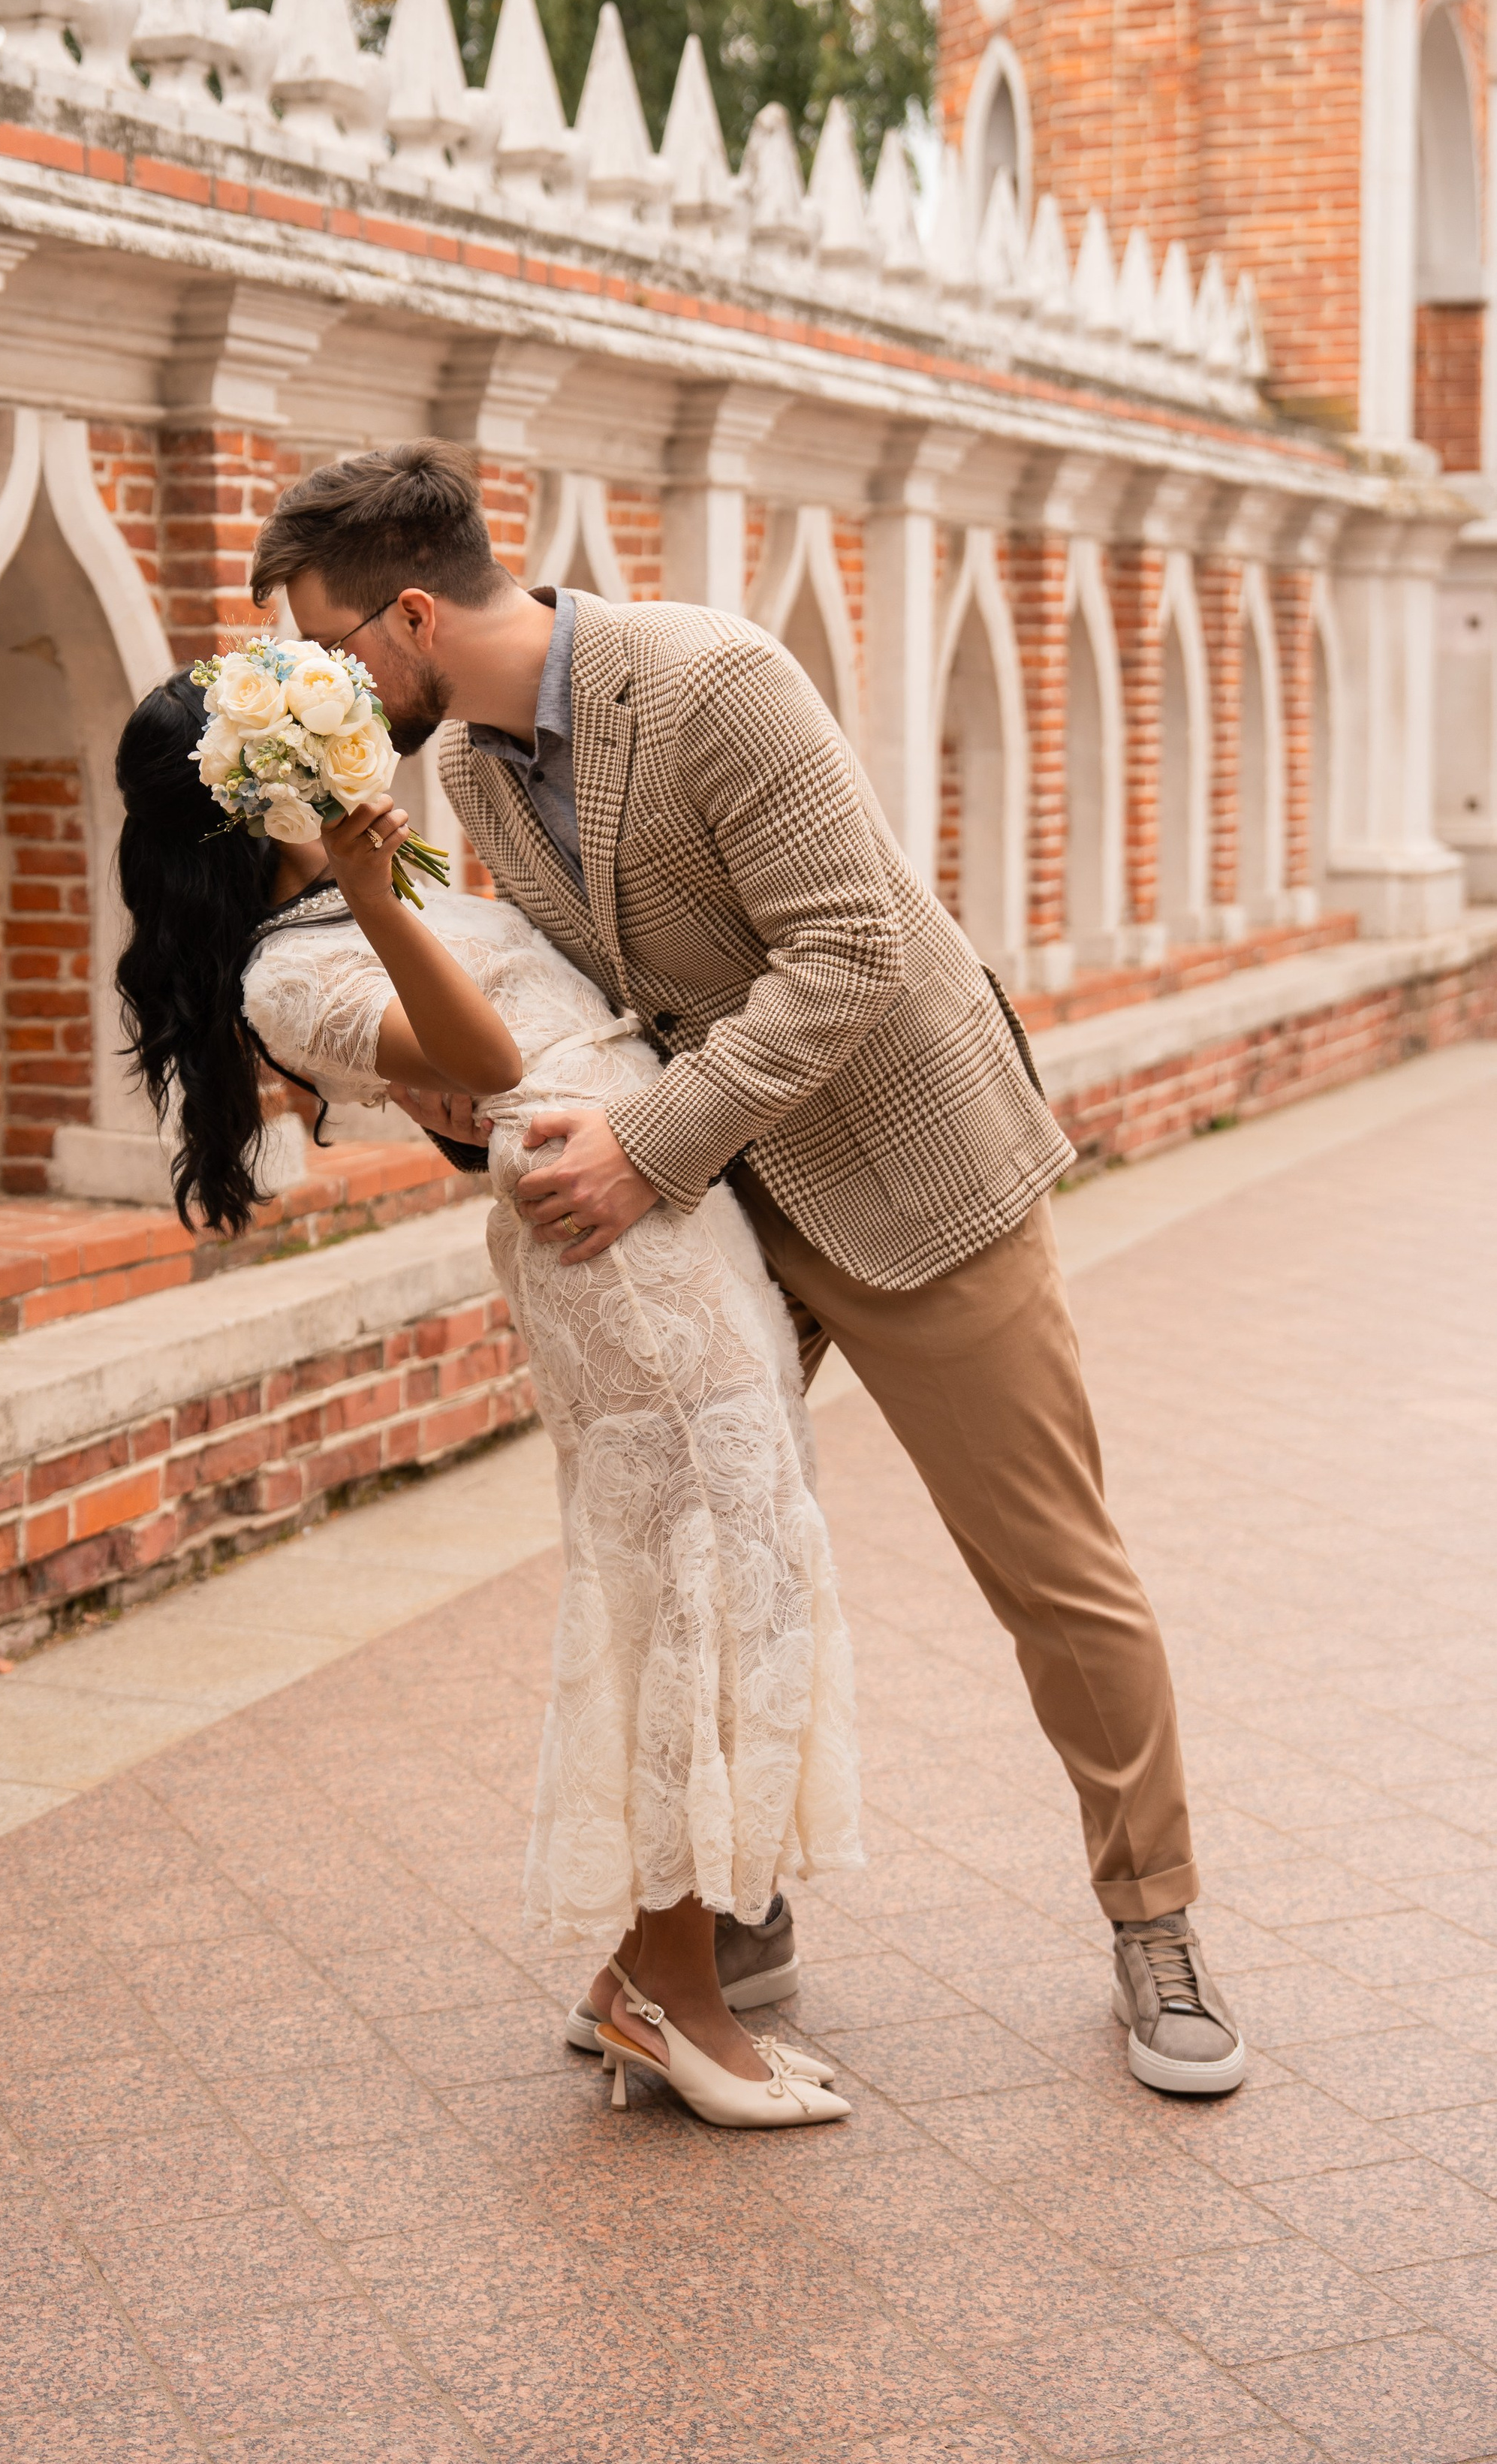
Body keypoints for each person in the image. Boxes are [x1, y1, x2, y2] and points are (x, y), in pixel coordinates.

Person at [245, 438, 1246, 2101]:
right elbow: (591, 996)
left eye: (337, 648)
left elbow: (848, 944)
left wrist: (646, 1148)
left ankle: (1155, 1921)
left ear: (413, 614)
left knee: (1047, 1562)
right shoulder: (483, 771)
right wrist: (449, 1090)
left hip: (909, 1171)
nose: (331, 687)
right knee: (717, 1550)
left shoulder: (711, 679)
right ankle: (722, 1928)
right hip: (717, 1205)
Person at [115, 666, 861, 2130]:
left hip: (651, 1190)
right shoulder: (289, 967)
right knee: (689, 1603)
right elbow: (484, 1062)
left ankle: (642, 1983)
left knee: (733, 1582)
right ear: (239, 805)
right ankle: (677, 2003)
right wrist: (375, 890)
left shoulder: (364, 903)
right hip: (610, 1255)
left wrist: (386, 887)